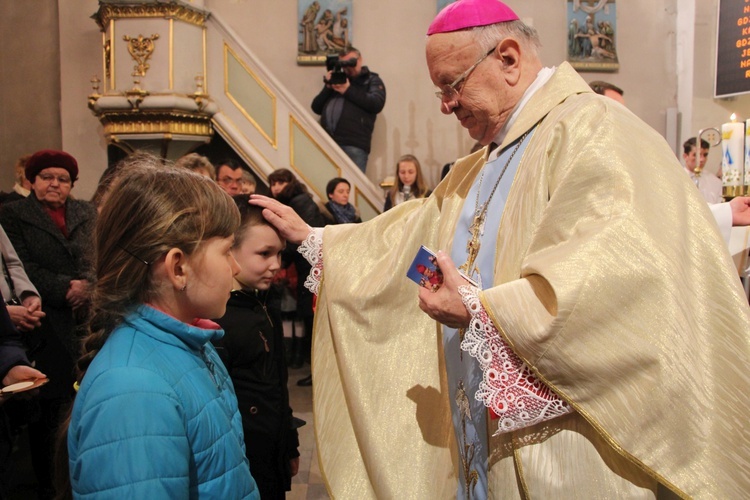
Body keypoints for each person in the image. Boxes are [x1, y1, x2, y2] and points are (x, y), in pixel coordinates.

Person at [250, 0, 750, 497]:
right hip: (485, 432)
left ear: (508, 59)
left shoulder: (595, 130)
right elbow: (414, 235)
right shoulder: (486, 160)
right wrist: (320, 240)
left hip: (565, 445)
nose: (445, 103)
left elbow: (616, 281)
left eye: (452, 84)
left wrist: (477, 309)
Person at [56, 160, 259, 498]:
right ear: (178, 267)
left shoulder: (191, 343)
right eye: (226, 251)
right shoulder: (133, 389)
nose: (235, 267)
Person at [0, 149, 95, 499]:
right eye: (47, 177)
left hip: (85, 316)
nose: (55, 184)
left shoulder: (86, 212)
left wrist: (87, 284)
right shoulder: (13, 214)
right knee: (49, 410)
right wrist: (64, 287)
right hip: (45, 320)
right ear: (31, 181)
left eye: (63, 179)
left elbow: (98, 254)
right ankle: (49, 486)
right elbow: (20, 264)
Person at [213, 196, 300, 499]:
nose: (275, 265)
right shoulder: (218, 317)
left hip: (271, 445)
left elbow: (277, 380)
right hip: (241, 455)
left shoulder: (265, 301)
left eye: (279, 254)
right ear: (229, 250)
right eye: (264, 253)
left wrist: (289, 441)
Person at [267, 169, 325, 387]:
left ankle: (317, 371)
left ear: (289, 182)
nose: (276, 187)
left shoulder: (298, 202)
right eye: (272, 183)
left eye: (280, 182)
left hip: (310, 268)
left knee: (312, 319)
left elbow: (300, 239)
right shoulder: (296, 200)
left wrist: (281, 262)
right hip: (306, 268)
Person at [311, 47, 386, 173]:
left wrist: (348, 90)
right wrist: (328, 86)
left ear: (360, 60)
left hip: (354, 144)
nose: (348, 67)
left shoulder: (371, 79)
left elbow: (376, 103)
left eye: (351, 62)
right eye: (344, 63)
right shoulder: (337, 80)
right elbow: (316, 107)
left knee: (353, 187)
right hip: (328, 142)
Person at [682, 137, 722, 204]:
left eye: (705, 155)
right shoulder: (678, 178)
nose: (702, 159)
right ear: (685, 156)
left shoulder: (715, 182)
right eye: (696, 155)